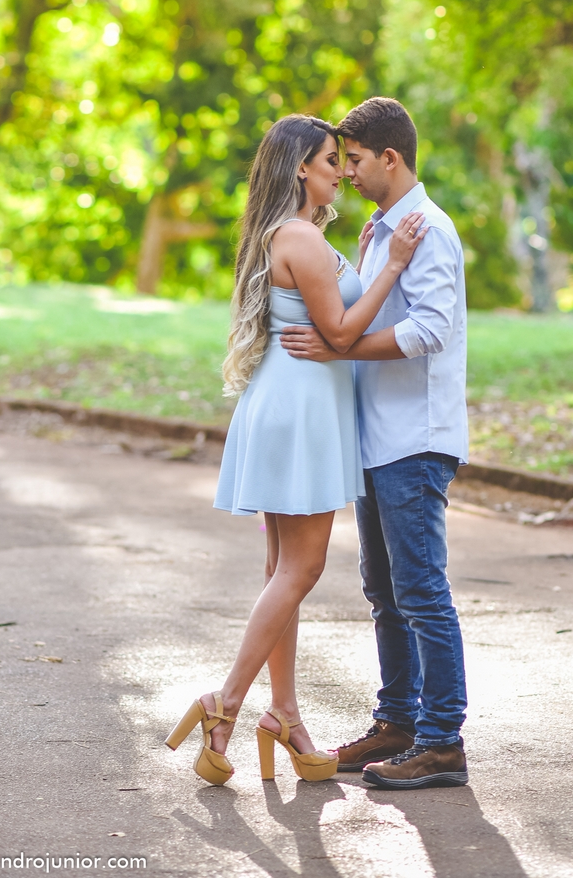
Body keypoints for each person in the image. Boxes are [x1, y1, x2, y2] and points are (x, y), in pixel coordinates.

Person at [164, 113, 426, 786]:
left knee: (281, 570)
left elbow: (325, 314)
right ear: (300, 169)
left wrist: (362, 263)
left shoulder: (295, 234)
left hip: (289, 403)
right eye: (330, 159)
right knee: (301, 570)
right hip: (300, 409)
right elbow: (339, 333)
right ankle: (224, 703)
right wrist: (394, 266)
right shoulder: (300, 237)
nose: (342, 170)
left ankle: (284, 713)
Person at [280, 97, 469, 790]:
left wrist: (340, 349)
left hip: (414, 439)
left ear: (391, 158)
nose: (347, 172)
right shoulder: (383, 231)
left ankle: (441, 740)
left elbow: (431, 329)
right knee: (385, 592)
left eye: (355, 160)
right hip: (377, 439)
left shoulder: (428, 229)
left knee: (420, 592)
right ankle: (397, 723)